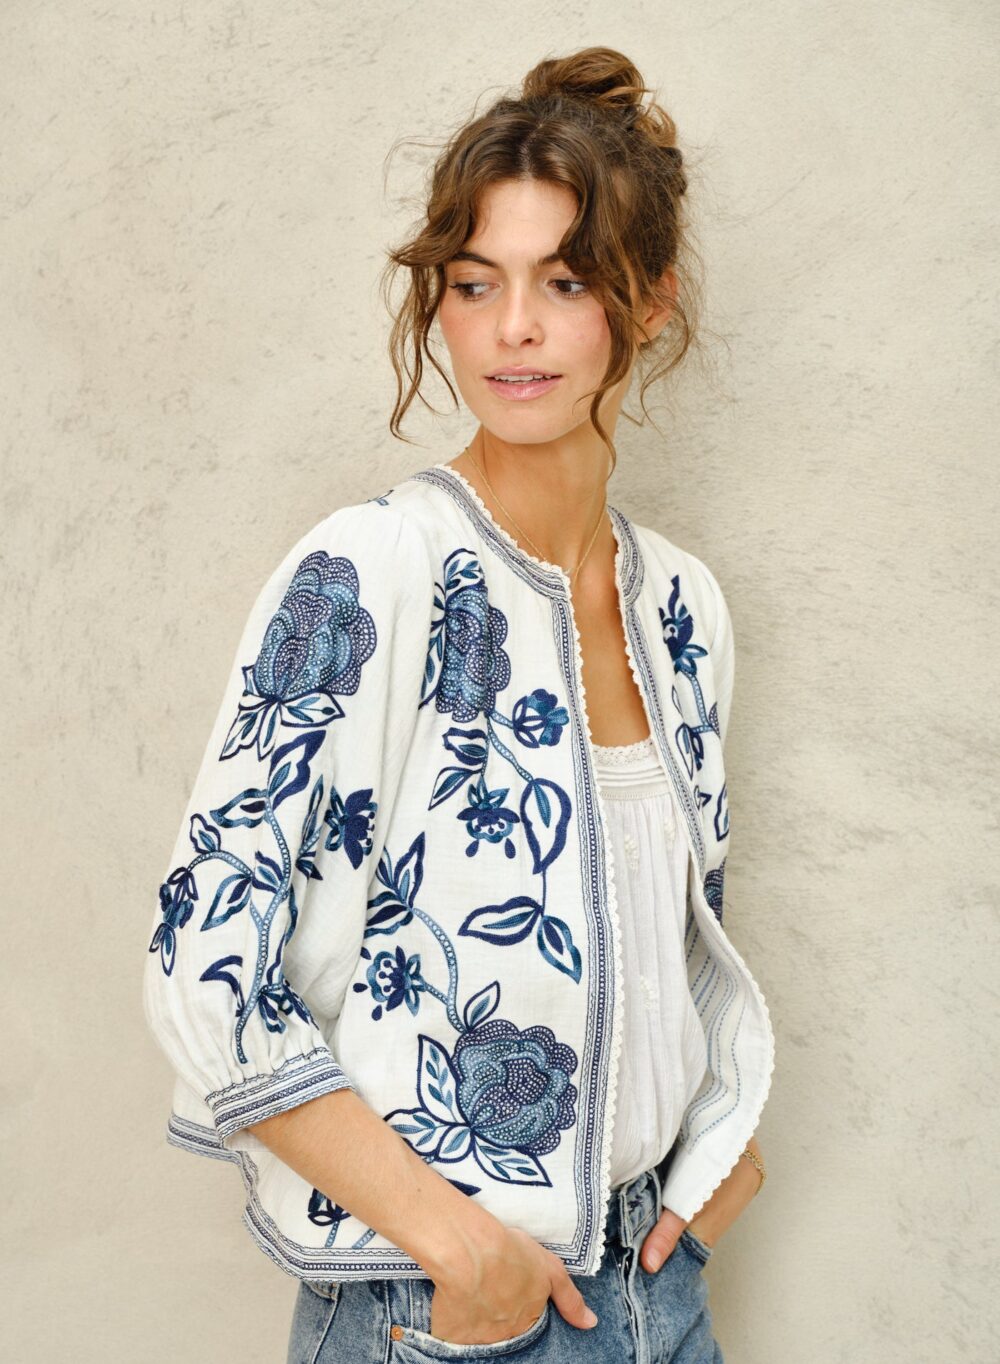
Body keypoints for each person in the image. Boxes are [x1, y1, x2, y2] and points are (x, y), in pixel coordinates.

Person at [143, 45, 774, 1364]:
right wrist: (455, 1243)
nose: (512, 330)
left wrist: (723, 1141)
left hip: (661, 1295)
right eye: (476, 284)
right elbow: (204, 962)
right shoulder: (376, 570)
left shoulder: (683, 607)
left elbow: (665, 938)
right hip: (447, 1316)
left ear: (650, 301)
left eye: (565, 283)